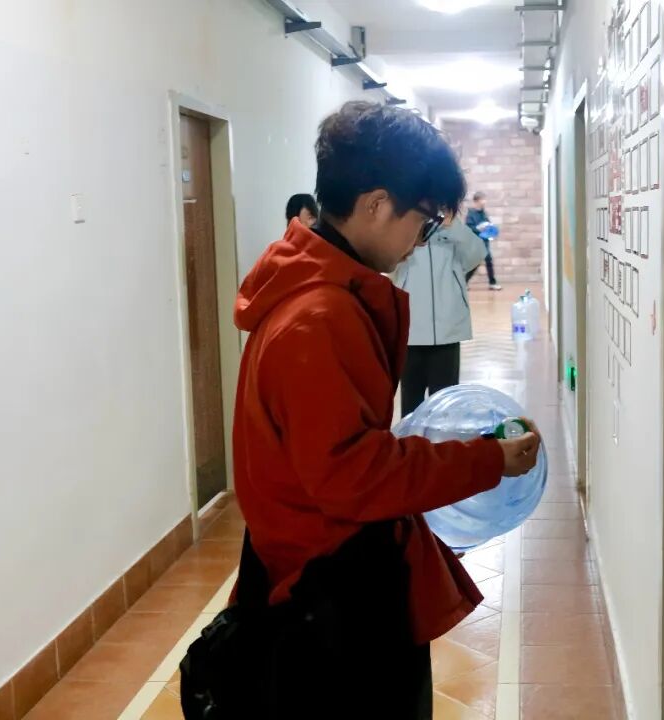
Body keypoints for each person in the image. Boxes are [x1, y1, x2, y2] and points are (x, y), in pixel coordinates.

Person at [229, 102, 541, 718]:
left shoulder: (317, 289)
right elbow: (354, 476)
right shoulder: (319, 317)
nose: (419, 242)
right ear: (375, 204)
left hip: (316, 565)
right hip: (329, 592)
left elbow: (341, 448)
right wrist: (487, 462)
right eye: (421, 222)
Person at [394, 210, 487, 417]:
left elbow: (477, 254)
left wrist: (453, 225)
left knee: (446, 405)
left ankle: (443, 437)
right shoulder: (403, 223)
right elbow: (389, 265)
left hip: (447, 329)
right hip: (411, 329)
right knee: (411, 404)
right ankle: (411, 437)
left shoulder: (452, 226)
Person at [465, 191, 502, 290]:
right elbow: (469, 228)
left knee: (489, 260)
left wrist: (490, 229)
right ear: (476, 201)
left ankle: (492, 283)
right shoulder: (471, 214)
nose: (484, 201)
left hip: (484, 242)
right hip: (475, 242)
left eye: (484, 199)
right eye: (482, 199)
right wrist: (479, 228)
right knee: (475, 263)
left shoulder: (484, 214)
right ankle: (464, 282)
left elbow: (488, 225)